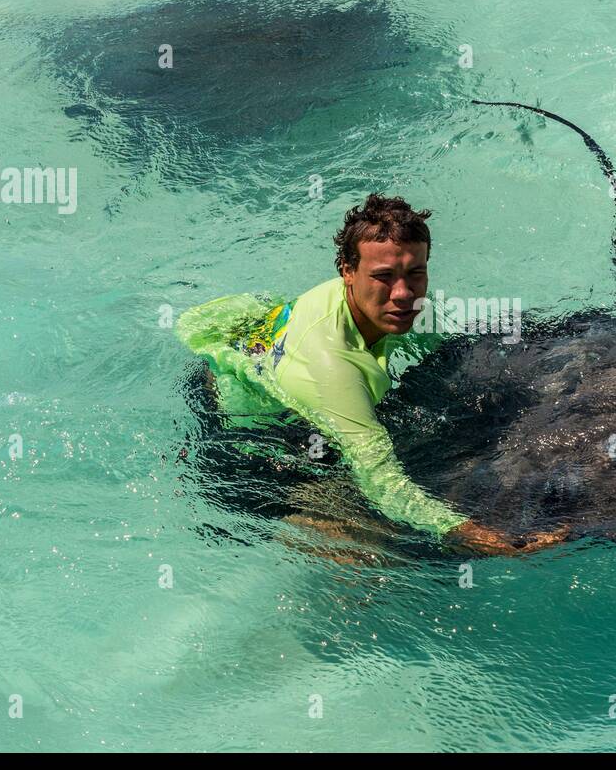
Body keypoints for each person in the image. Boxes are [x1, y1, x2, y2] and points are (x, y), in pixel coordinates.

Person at [177, 194, 564, 556]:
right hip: (250, 442)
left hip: (259, 359)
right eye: (383, 277)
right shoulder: (334, 369)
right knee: (373, 552)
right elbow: (381, 478)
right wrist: (472, 535)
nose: (403, 294)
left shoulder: (382, 303)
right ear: (348, 271)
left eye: (416, 273)